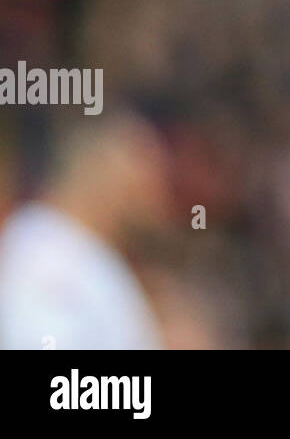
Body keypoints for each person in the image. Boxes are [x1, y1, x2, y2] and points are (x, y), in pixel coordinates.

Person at [0, 111, 168, 349]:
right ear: (101, 171)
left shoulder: (82, 249)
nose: (149, 192)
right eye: (142, 169)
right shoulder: (45, 250)